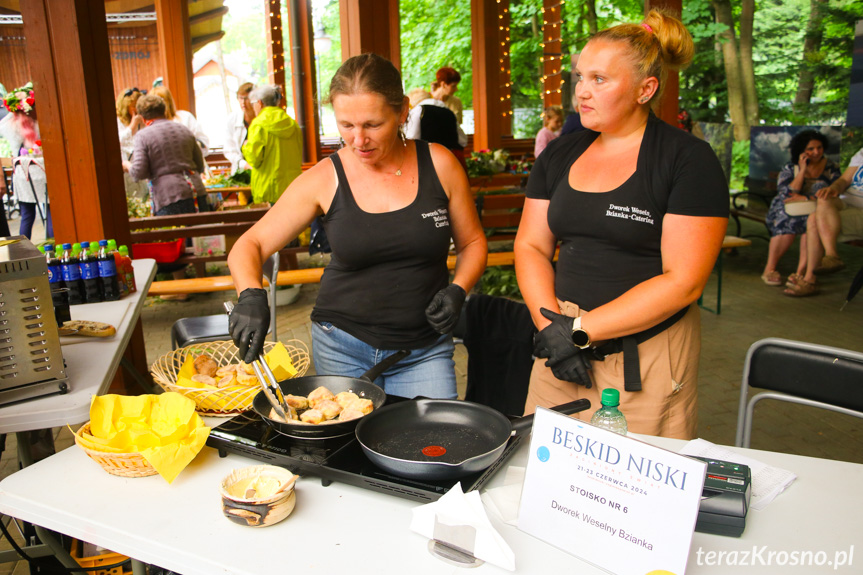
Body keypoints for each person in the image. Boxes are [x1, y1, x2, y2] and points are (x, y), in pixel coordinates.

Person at [513, 10, 729, 439]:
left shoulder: (686, 159)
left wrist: (580, 332)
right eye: (580, 78)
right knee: (542, 471)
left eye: (600, 80)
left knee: (632, 489)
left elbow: (684, 281)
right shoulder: (558, 154)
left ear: (645, 89)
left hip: (643, 351)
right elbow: (531, 247)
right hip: (558, 338)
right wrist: (552, 329)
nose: (582, 93)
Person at [228, 53, 487, 399]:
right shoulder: (324, 177)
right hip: (341, 346)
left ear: (402, 110)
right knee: (347, 451)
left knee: (432, 449)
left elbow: (472, 243)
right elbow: (250, 245)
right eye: (346, 125)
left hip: (424, 349)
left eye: (372, 124)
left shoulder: (440, 164)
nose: (358, 140)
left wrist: (459, 289)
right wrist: (250, 295)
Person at [761, 130, 840, 287]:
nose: (816, 152)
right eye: (810, 149)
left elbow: (834, 193)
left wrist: (807, 198)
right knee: (786, 222)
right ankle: (769, 269)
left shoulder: (832, 168)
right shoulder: (791, 167)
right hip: (788, 206)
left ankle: (801, 273)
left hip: (815, 207)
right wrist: (802, 170)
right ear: (802, 150)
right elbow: (787, 193)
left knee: (810, 225)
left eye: (819, 147)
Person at [785, 146, 863, 296]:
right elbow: (845, 179)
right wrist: (833, 188)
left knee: (814, 219)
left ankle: (810, 279)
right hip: (847, 201)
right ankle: (830, 256)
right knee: (824, 198)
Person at [0, 83, 52, 239]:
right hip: (42, 171)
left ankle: (25, 250)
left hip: (23, 175)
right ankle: (54, 245)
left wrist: (14, 109)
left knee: (27, 215)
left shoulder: (9, 126)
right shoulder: (40, 123)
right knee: (50, 211)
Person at [241, 85, 303, 205]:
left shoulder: (258, 125)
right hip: (291, 187)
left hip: (267, 189)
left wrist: (245, 146)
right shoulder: (292, 124)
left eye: (253, 103)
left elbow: (254, 159)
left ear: (259, 103)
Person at [151, 85, 210, 156]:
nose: (158, 105)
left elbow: (204, 143)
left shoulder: (185, 117)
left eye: (162, 100)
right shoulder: (149, 125)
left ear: (169, 101)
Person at [115, 87, 149, 200]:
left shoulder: (142, 122)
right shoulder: (118, 122)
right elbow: (117, 142)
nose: (137, 109)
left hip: (141, 173)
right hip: (125, 175)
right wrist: (132, 127)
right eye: (134, 106)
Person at [223, 82, 256, 175]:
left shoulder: (261, 118)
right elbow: (229, 149)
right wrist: (243, 164)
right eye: (240, 98)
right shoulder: (232, 120)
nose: (243, 102)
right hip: (239, 171)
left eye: (246, 98)